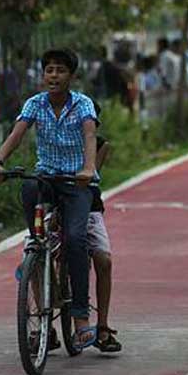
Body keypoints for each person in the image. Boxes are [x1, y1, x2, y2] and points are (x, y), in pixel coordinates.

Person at [0, 48, 99, 350]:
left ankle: (80, 317)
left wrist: (88, 168)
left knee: (76, 239)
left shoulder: (83, 104)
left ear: (71, 76)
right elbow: (17, 133)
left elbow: (90, 136)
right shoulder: (35, 103)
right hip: (46, 178)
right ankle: (38, 245)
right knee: (29, 193)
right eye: (49, 70)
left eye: (60, 70)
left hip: (76, 182)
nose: (54, 76)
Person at [88, 103, 121, 353]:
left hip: (88, 205)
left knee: (104, 260)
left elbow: (92, 176)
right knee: (32, 257)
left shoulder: (100, 145)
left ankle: (102, 325)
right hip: (54, 203)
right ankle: (39, 327)